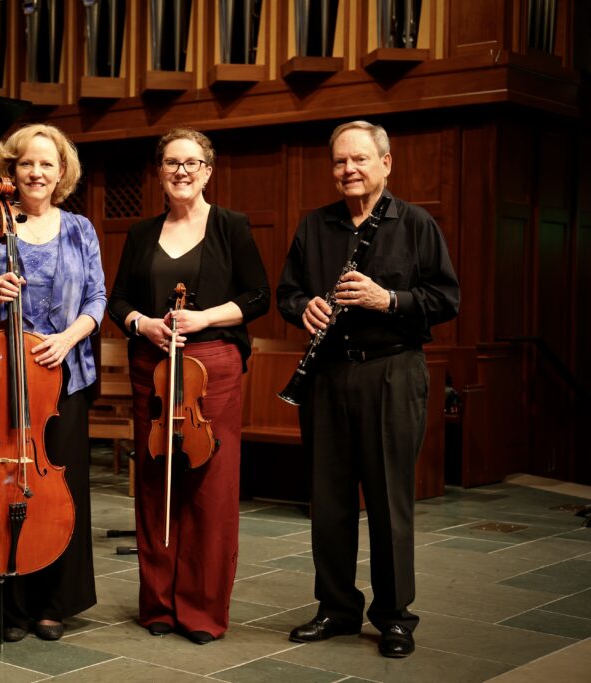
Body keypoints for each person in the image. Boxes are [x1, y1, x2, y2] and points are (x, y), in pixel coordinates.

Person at [277, 120, 460, 658]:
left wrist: (389, 300)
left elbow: (446, 299)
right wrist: (302, 306)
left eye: (359, 159)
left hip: (392, 371)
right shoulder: (315, 226)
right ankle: (335, 606)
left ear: (385, 163)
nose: (348, 170)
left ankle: (395, 615)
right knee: (329, 500)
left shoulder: (416, 223)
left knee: (388, 500)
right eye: (339, 162)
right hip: (329, 375)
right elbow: (288, 291)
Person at [108, 128, 270, 644]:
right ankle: (157, 604)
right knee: (155, 484)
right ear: (160, 171)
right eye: (172, 162)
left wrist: (201, 319)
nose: (182, 171)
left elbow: (258, 296)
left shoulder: (231, 226)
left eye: (192, 163)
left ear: (207, 170)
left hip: (211, 368)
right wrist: (142, 323)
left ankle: (201, 610)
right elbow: (117, 303)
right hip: (152, 368)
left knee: (208, 489)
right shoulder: (140, 234)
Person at [0, 123, 106, 642]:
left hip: (63, 379)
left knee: (57, 488)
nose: (36, 172)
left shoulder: (81, 228)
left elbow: (98, 299)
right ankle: (3, 603)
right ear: (10, 171)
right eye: (26, 163)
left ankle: (51, 603)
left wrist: (68, 339)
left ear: (62, 173)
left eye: (47, 164)